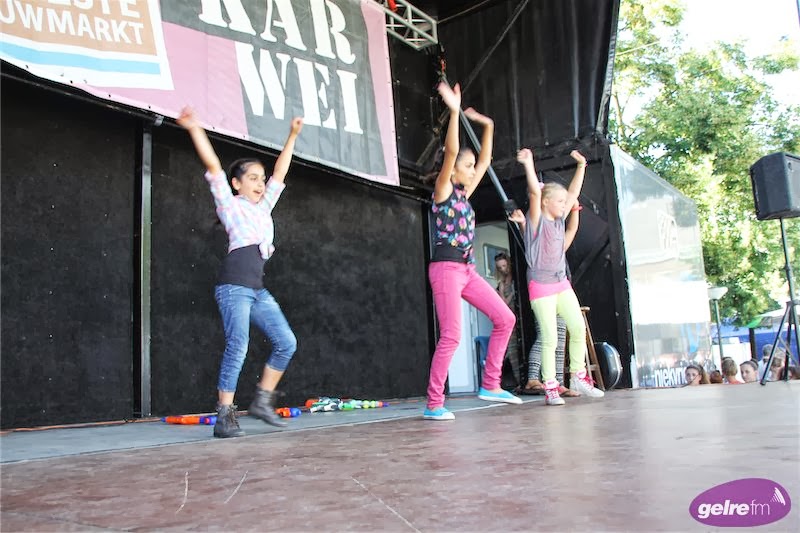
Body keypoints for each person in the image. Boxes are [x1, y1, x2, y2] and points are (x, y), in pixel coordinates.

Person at [178, 106, 303, 438]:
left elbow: (281, 172)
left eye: (261, 178)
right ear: (236, 184)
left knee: (286, 342)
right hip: (234, 286)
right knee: (239, 346)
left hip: (256, 289)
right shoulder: (230, 205)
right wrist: (195, 128)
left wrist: (292, 135)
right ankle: (225, 416)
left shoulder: (264, 207)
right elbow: (213, 166)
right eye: (252, 178)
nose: (260, 183)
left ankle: (262, 401)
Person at [424, 81, 521, 421]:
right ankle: (434, 403)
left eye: (469, 167)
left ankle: (490, 384)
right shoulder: (443, 190)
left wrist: (488, 125)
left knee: (505, 318)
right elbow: (452, 153)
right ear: (453, 170)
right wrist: (453, 113)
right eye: (465, 166)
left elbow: (485, 159)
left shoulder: (464, 195)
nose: (470, 169)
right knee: (451, 335)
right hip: (446, 269)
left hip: (467, 270)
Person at [516, 147, 604, 406]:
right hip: (541, 285)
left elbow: (574, 193)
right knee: (550, 338)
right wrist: (529, 163)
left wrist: (581, 166)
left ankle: (577, 376)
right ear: (546, 202)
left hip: (560, 282)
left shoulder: (558, 222)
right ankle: (551, 386)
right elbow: (535, 192)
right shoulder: (536, 221)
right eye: (560, 201)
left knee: (577, 327)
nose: (565, 205)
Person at [512, 206, 580, 399]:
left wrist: (575, 209)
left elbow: (571, 230)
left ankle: (558, 383)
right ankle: (533, 378)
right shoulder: (538, 233)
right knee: (546, 336)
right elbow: (529, 235)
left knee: (559, 336)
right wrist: (523, 223)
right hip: (543, 288)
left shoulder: (557, 236)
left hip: (561, 286)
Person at [494, 252, 522, 388]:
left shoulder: (516, 279)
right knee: (512, 351)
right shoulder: (501, 283)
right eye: (500, 267)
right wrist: (511, 293)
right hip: (509, 319)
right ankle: (519, 381)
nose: (503, 269)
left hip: (519, 316)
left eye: (504, 266)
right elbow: (504, 302)